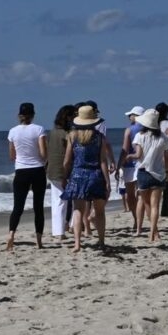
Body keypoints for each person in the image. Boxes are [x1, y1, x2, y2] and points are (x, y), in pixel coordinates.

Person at [62, 105, 111, 252]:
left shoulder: (72, 136)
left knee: (78, 210)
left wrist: (65, 176)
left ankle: (77, 244)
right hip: (95, 174)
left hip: (77, 176)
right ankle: (101, 241)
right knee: (100, 211)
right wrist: (107, 181)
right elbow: (103, 160)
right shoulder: (99, 137)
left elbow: (67, 160)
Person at [6, 102, 48, 251]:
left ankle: (11, 234)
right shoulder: (39, 129)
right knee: (38, 207)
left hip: (21, 171)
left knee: (18, 206)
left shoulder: (12, 131)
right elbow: (43, 154)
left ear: (19, 116)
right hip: (37, 170)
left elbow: (12, 156)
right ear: (33, 115)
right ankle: (38, 241)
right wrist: (44, 161)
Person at [129, 109, 168, 240]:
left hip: (143, 172)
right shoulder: (163, 137)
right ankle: (153, 232)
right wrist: (167, 170)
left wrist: (129, 156)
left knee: (147, 205)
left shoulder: (139, 136)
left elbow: (138, 155)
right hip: (158, 173)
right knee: (155, 205)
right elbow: (166, 157)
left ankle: (153, 232)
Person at [46, 105, 76, 243]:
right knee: (63, 201)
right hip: (63, 170)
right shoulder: (67, 134)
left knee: (56, 200)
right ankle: (61, 231)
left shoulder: (51, 132)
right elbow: (69, 156)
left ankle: (57, 230)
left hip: (52, 169)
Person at [116, 106, 145, 232]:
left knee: (130, 196)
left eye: (131, 115)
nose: (129, 117)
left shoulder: (129, 130)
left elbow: (124, 150)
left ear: (136, 116)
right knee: (140, 195)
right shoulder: (147, 130)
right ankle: (139, 220)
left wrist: (118, 166)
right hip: (143, 164)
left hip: (129, 166)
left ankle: (136, 220)